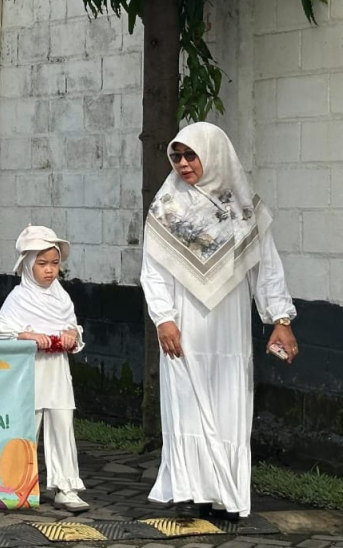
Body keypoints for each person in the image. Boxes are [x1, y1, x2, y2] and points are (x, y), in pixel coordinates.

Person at [141, 122, 298, 521]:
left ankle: (225, 494)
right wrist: (163, 318)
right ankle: (188, 492)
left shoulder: (242, 207)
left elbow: (266, 267)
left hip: (228, 320)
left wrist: (279, 318)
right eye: (176, 156)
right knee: (184, 398)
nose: (182, 163)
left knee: (229, 400)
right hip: (182, 319)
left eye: (191, 155)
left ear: (213, 154)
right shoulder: (166, 205)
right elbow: (153, 270)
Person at [0, 225, 87, 513]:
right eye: (42, 264)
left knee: (62, 425)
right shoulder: (18, 298)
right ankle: (17, 484)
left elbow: (73, 328)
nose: (49, 270)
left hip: (57, 371)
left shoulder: (62, 298)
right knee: (26, 426)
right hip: (29, 372)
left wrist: (71, 336)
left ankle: (66, 485)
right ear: (28, 264)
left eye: (54, 264)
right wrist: (27, 337)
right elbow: (1, 331)